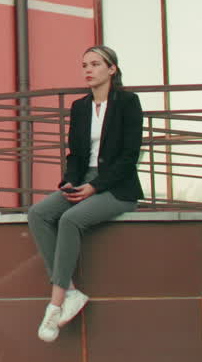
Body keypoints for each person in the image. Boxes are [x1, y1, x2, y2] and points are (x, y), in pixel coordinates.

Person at [27, 44, 144, 343]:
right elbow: (76, 154)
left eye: (95, 64)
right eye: (84, 65)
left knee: (71, 220)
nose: (88, 70)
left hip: (117, 188)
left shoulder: (128, 102)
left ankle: (56, 302)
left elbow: (129, 157)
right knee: (39, 214)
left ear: (111, 69)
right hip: (84, 182)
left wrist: (95, 186)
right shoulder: (80, 107)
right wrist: (69, 181)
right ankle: (73, 292)